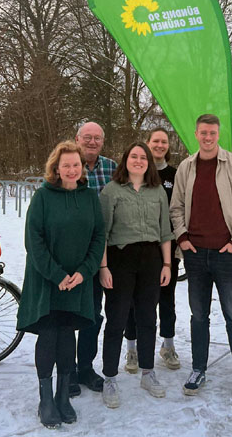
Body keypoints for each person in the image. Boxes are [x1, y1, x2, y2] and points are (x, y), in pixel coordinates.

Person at [170, 114, 232, 402]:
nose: (208, 138)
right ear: (196, 134)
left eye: (213, 133)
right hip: (195, 255)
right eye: (203, 133)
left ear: (218, 134)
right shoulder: (186, 167)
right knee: (199, 316)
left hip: (226, 253)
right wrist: (182, 238)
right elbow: (176, 207)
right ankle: (198, 369)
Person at [16, 140, 105, 429]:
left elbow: (98, 238)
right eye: (65, 164)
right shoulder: (42, 197)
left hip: (79, 280)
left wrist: (84, 271)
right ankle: (45, 399)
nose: (71, 169)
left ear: (82, 168)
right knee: (50, 333)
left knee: (68, 334)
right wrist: (57, 275)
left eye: (75, 164)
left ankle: (63, 395)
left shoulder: (90, 197)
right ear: (56, 167)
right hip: (46, 280)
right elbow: (34, 240)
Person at [99, 141, 174, 408]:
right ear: (125, 160)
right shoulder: (111, 191)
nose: (139, 161)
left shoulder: (157, 192)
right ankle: (109, 377)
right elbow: (103, 235)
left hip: (151, 260)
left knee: (147, 318)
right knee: (117, 319)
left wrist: (167, 265)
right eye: (134, 156)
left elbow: (165, 231)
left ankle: (148, 372)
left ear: (149, 163)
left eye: (143, 157)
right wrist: (103, 267)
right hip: (120, 260)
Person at [124, 128, 181, 374]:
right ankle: (132, 349)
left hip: (167, 247)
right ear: (148, 144)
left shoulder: (174, 174)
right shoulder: (137, 172)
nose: (159, 145)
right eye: (155, 141)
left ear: (168, 146)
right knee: (134, 302)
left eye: (164, 142)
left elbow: (180, 208)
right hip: (137, 248)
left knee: (167, 298)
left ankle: (167, 346)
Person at [72, 122, 118, 395]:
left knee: (92, 313)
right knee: (66, 314)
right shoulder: (66, 165)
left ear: (102, 141)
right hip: (70, 254)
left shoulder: (112, 169)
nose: (91, 142)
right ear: (77, 139)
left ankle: (85, 367)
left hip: (100, 254)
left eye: (96, 138)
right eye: (87, 137)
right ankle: (66, 370)